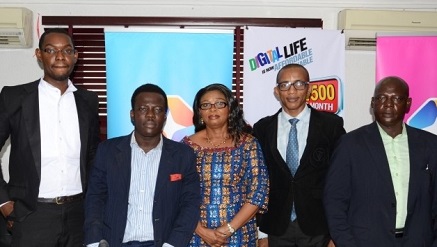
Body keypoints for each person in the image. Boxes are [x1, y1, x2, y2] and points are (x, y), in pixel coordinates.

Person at [0, 28, 100, 246]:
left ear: (75, 56)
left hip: (78, 215)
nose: (60, 56)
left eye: (66, 50)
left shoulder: (88, 101)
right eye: (51, 50)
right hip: (32, 214)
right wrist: (4, 202)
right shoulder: (14, 97)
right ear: (38, 55)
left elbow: (92, 155)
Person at [324, 76, 437, 246]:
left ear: (408, 104)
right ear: (373, 103)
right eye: (381, 98)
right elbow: (334, 201)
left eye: (396, 98)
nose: (388, 104)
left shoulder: (430, 144)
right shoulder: (350, 144)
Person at [84, 83, 201, 247]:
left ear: (165, 117)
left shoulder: (183, 155)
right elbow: (95, 198)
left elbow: (190, 203)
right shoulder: (107, 151)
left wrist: (173, 244)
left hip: (163, 243)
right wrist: (94, 241)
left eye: (158, 110)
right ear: (132, 115)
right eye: (143, 109)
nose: (151, 115)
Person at [253, 63, 345, 247]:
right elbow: (258, 181)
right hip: (275, 227)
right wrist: (261, 232)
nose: (292, 91)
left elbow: (341, 180)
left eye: (299, 84)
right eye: (284, 85)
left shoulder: (330, 125)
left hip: (319, 226)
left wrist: (337, 233)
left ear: (309, 89)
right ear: (277, 91)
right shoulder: (262, 128)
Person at [181, 83, 269, 247]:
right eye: (206, 105)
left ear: (230, 108)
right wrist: (200, 230)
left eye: (219, 103)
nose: (212, 109)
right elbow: (177, 193)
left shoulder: (248, 143)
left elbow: (259, 190)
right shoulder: (186, 147)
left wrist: (228, 229)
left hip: (239, 234)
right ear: (199, 112)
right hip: (196, 235)